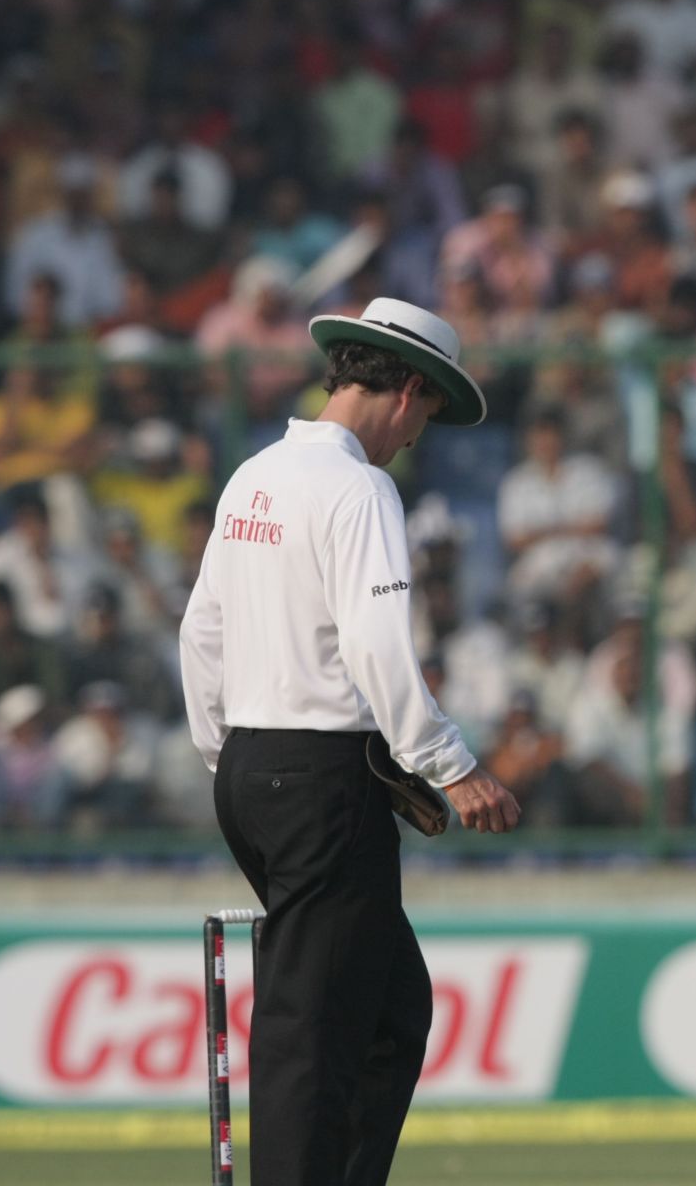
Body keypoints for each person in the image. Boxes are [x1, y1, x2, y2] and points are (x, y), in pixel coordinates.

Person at [178, 296, 521, 1186]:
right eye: (427, 416)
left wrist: (232, 758)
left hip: (254, 765)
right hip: (322, 774)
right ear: (408, 389)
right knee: (314, 1031)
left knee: (388, 1011)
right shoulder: (361, 488)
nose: (416, 438)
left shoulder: (255, 475)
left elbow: (200, 634)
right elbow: (375, 646)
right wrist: (455, 766)